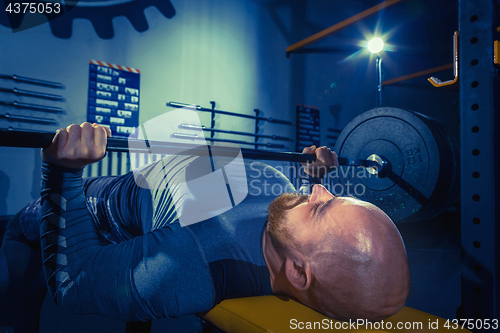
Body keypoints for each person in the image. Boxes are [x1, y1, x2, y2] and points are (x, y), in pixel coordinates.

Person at [0, 123, 410, 332]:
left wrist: (63, 171)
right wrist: (308, 178)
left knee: (17, 244)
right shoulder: (287, 209)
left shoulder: (187, 268)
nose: (320, 189)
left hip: (91, 209)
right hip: (144, 212)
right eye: (331, 195)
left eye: (322, 208)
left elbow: (72, 285)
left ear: (299, 273)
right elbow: (314, 241)